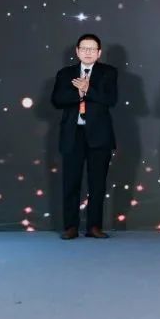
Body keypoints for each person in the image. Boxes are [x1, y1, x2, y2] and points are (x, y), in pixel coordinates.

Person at [51, 34, 117, 240]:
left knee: (97, 184)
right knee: (71, 182)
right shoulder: (65, 74)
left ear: (99, 52)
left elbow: (111, 99)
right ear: (77, 51)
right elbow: (57, 100)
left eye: (92, 49)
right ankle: (70, 226)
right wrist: (78, 94)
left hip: (99, 135)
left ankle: (94, 226)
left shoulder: (108, 72)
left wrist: (88, 89)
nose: (88, 52)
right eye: (84, 48)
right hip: (73, 134)